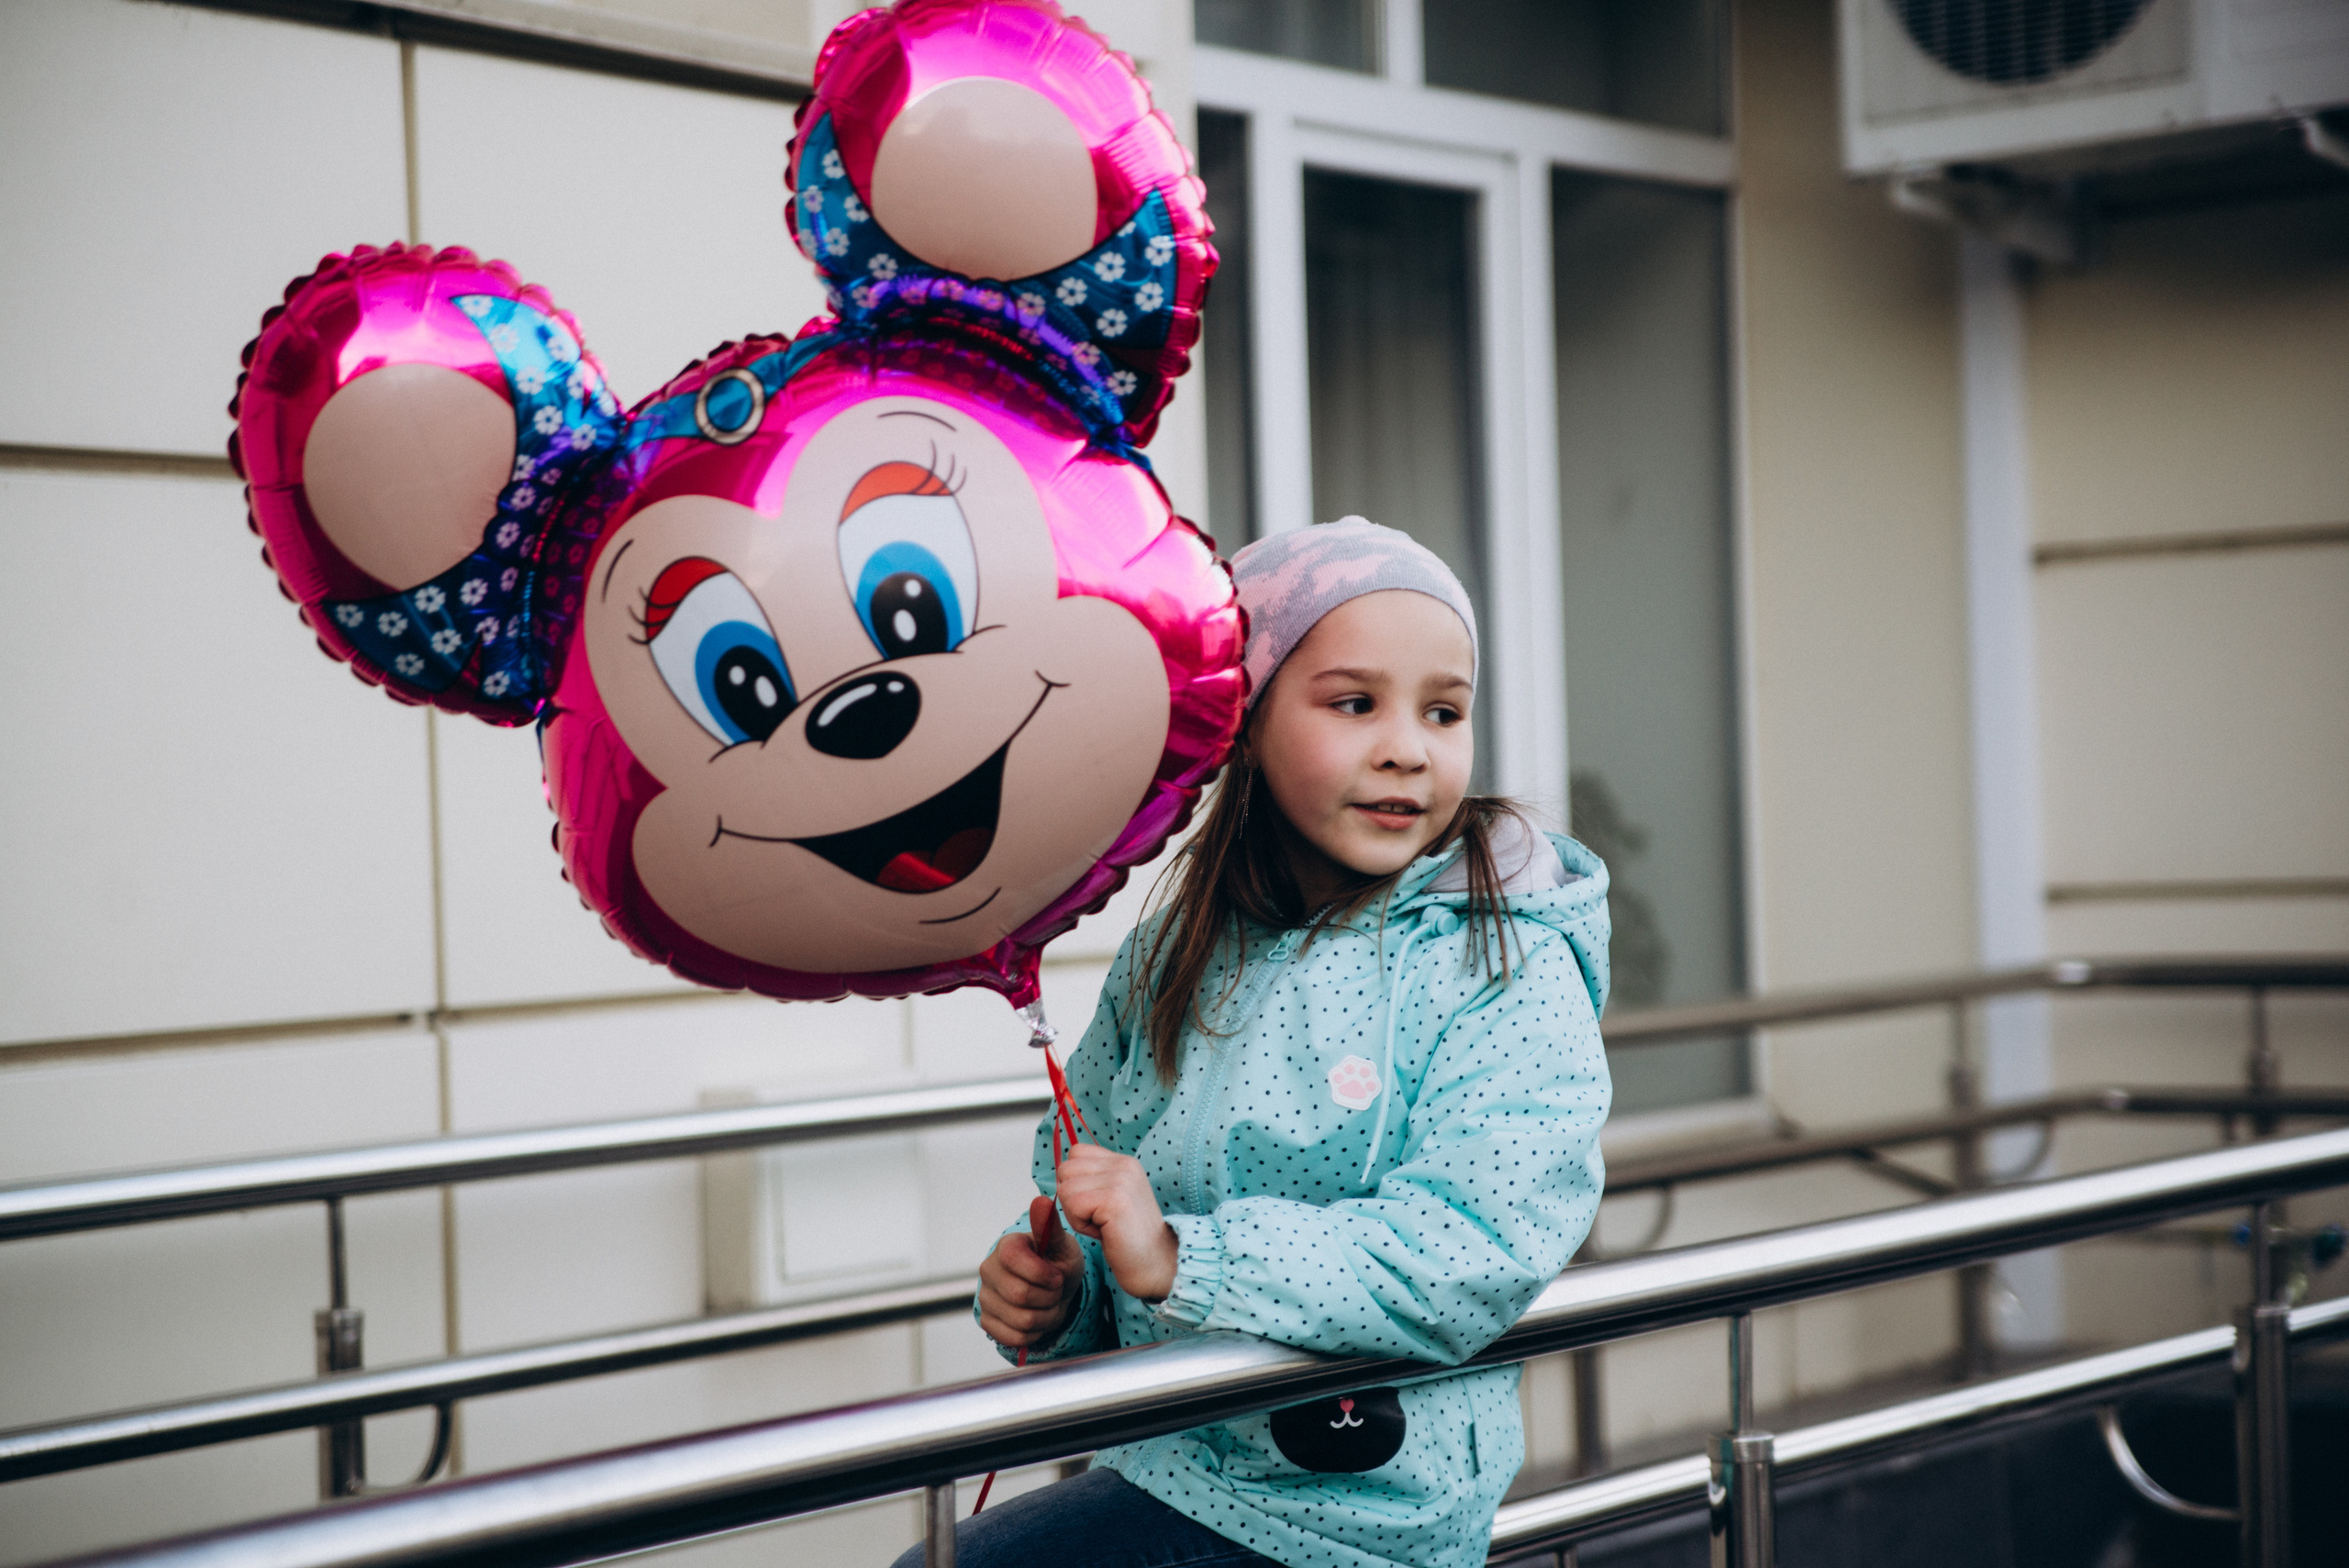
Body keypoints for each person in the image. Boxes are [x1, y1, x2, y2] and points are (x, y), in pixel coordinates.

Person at [896, 518, 1612, 1568]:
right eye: (1353, 702)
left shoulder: (1500, 951)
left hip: (1353, 1514)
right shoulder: (1178, 948)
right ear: (1249, 717)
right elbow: (1104, 1183)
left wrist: (1183, 1257)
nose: (1408, 745)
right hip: (1173, 1455)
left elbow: (1473, 1246)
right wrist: (1059, 1290)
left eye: (1444, 709)